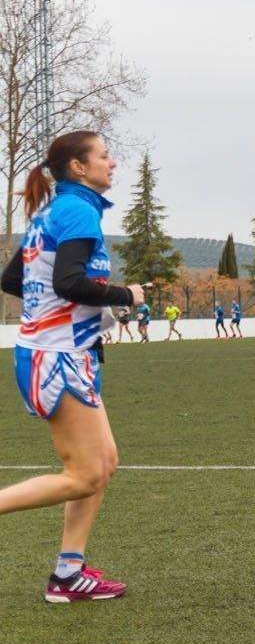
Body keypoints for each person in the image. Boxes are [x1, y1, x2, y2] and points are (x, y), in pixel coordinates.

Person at [0, 131, 144, 602]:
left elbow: (15, 280)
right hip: (56, 358)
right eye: (104, 155)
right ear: (79, 168)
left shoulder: (52, 210)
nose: (113, 162)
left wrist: (73, 312)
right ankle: (65, 575)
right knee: (84, 474)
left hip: (62, 353)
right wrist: (124, 296)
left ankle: (68, 573)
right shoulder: (78, 211)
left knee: (102, 463)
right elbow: (70, 282)